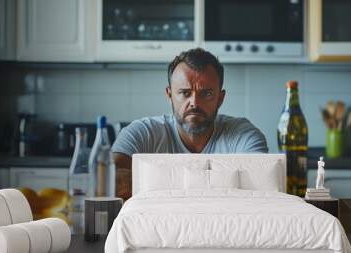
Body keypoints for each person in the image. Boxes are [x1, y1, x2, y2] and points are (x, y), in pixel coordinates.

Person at [112, 48, 268, 200]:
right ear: (170, 95)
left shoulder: (244, 134)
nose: (194, 103)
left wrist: (157, 180)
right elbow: (111, 180)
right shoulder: (142, 131)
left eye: (206, 93)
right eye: (185, 93)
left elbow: (262, 184)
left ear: (220, 98)